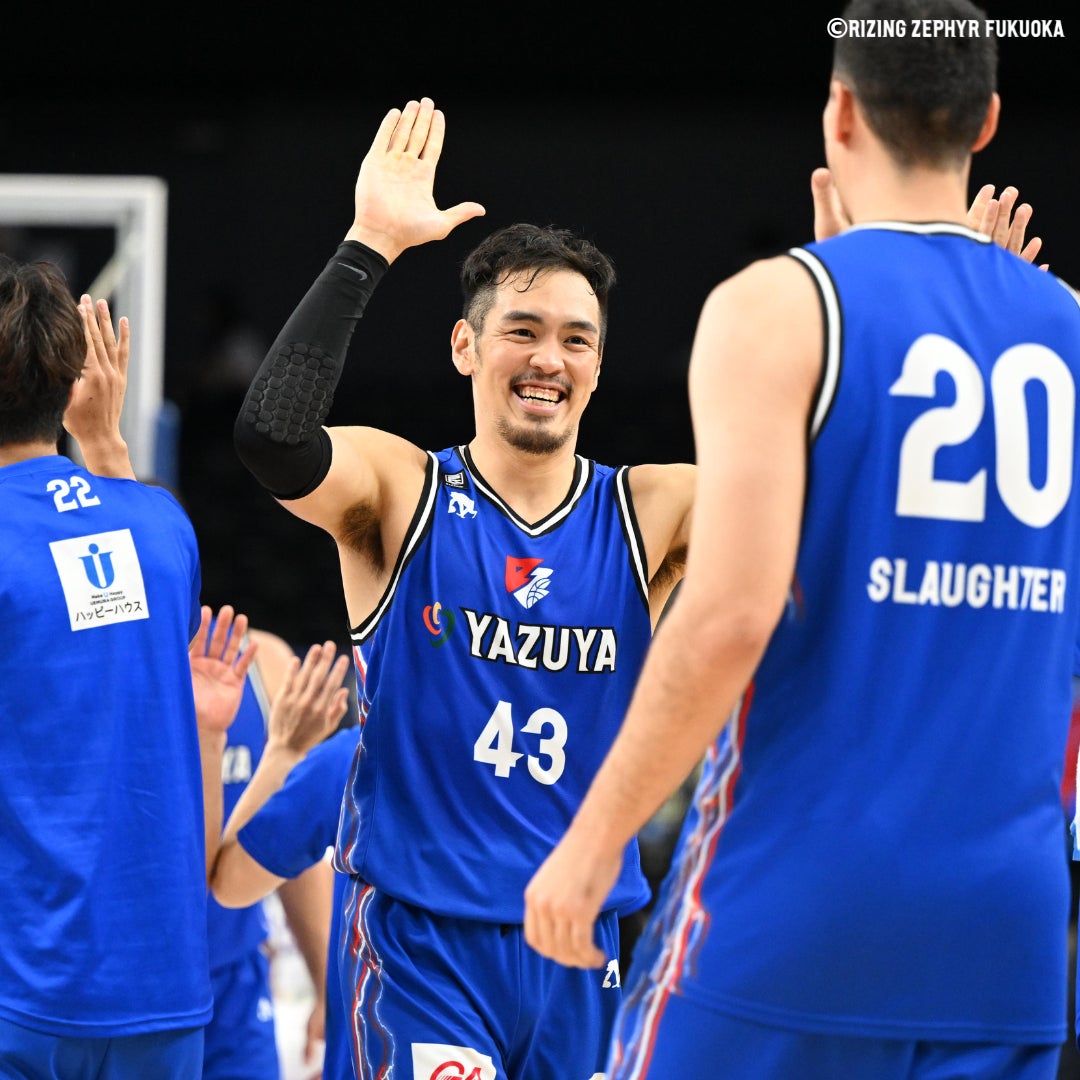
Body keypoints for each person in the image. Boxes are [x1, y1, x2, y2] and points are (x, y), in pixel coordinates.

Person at [522, 2, 1080, 1078]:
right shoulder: (1067, 327)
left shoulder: (781, 306)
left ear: (840, 112)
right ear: (987, 121)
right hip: (1006, 927)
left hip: (801, 894)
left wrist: (593, 845)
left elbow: (730, 617)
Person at [233, 96, 695, 1079]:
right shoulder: (404, 490)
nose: (548, 358)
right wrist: (368, 244)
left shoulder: (650, 511)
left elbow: (832, 500)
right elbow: (273, 440)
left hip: (582, 944)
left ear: (599, 365)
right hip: (425, 946)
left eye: (576, 339)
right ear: (464, 347)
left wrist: (966, 311)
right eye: (522, 330)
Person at [0, 262, 255, 1079]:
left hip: (23, 986)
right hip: (161, 990)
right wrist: (104, 438)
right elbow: (105, 559)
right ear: (72, 380)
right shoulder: (161, 526)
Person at [202, 624, 345, 1080]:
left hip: (234, 991)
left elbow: (291, 838)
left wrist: (328, 986)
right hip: (116, 990)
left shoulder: (263, 661)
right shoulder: (91, 657)